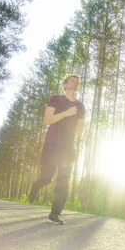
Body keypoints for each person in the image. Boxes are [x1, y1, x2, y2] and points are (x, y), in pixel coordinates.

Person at [28, 74, 85, 224]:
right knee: (47, 178)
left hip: (67, 147)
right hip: (53, 144)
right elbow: (47, 120)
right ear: (65, 85)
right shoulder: (56, 99)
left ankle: (55, 213)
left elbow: (80, 127)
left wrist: (80, 130)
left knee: (64, 180)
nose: (75, 82)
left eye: (77, 81)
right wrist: (66, 113)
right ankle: (37, 185)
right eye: (71, 80)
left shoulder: (80, 106)